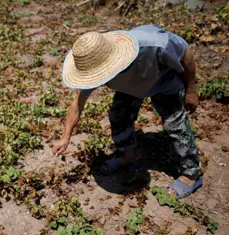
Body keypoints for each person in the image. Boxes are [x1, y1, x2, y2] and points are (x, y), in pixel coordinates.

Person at [52, 24, 202, 199]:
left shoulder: (155, 45)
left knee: (174, 125)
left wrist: (191, 89)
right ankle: (127, 155)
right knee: (118, 114)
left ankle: (191, 173)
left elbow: (186, 55)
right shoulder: (92, 62)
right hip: (130, 86)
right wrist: (65, 136)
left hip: (164, 78)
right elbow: (77, 104)